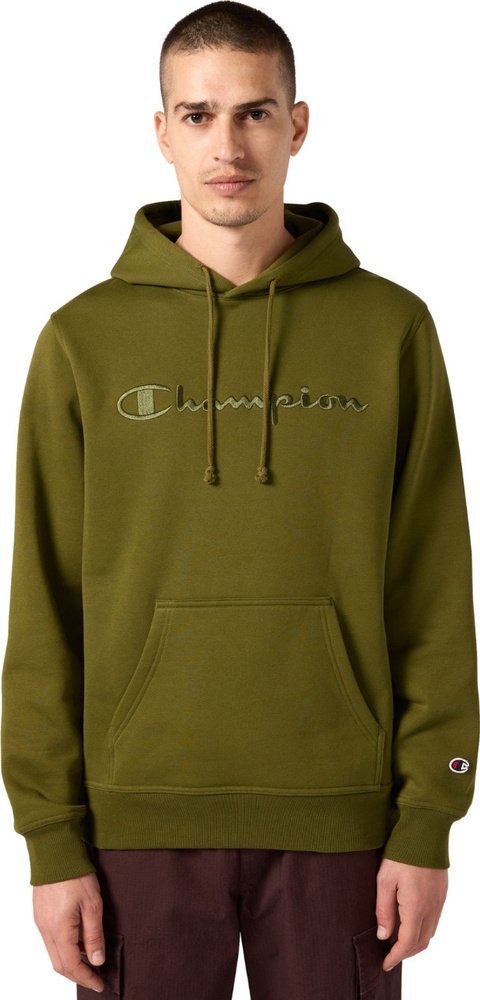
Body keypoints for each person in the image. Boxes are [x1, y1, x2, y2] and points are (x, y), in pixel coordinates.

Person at [1, 2, 478, 997]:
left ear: (297, 125)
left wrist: (428, 820)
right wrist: (49, 837)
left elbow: (434, 589)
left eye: (255, 113)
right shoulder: (82, 341)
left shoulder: (390, 329)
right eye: (199, 114)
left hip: (345, 825)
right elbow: (43, 605)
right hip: (134, 825)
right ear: (162, 131)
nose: (228, 146)